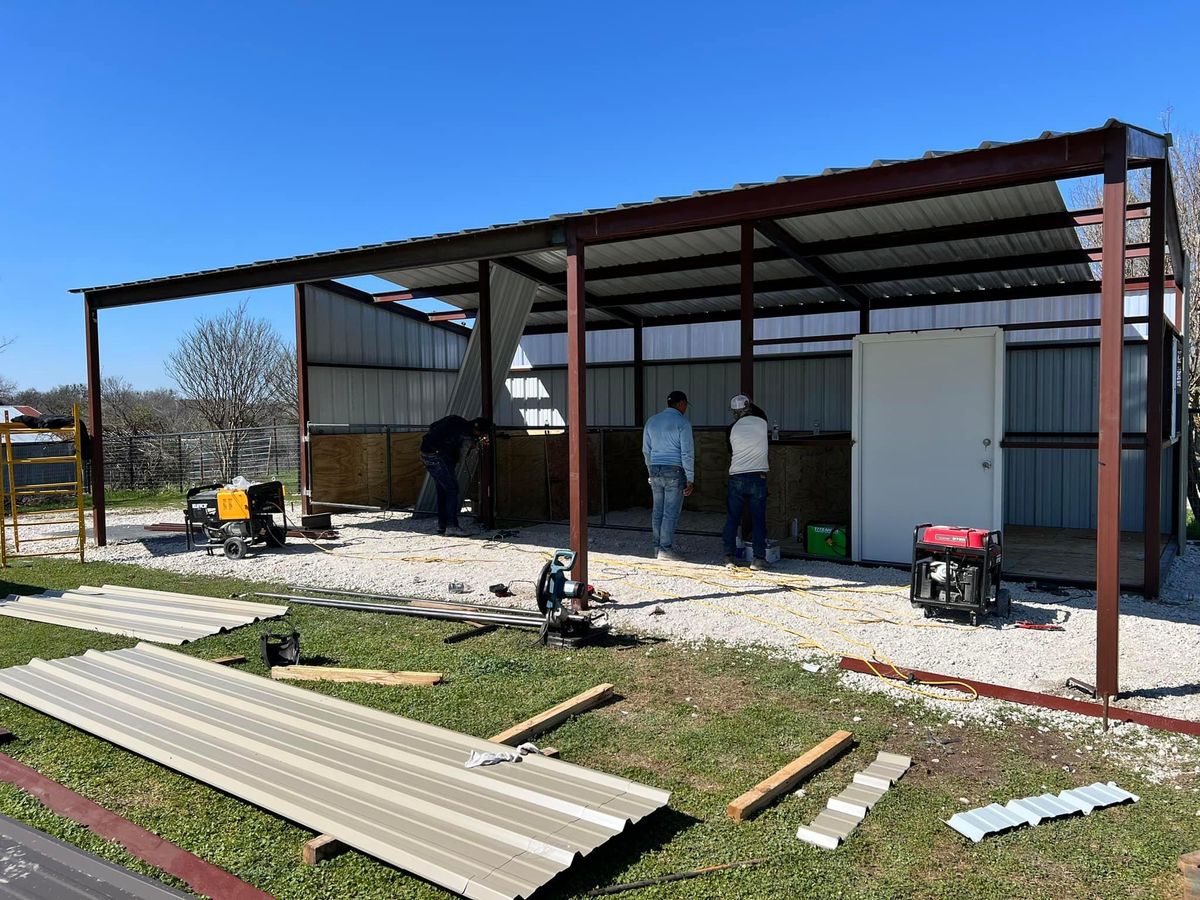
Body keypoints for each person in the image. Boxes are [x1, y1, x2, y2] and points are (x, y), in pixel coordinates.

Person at [641, 390, 695, 561]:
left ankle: (657, 547)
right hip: (674, 470)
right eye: (685, 404)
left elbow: (646, 450)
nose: (686, 407)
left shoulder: (652, 421)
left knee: (657, 510)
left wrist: (650, 471)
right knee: (670, 512)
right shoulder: (683, 423)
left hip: (655, 468)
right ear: (680, 403)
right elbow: (687, 453)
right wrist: (690, 478)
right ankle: (665, 549)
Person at [420, 415, 492, 536]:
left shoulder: (455, 420)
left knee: (443, 490)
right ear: (478, 431)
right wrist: (473, 445)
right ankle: (451, 526)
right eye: (481, 435)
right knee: (452, 489)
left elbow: (433, 426)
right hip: (438, 456)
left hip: (426, 453)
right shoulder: (466, 435)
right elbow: (462, 456)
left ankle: (442, 525)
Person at [723, 394, 770, 570]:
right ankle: (758, 559)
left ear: (734, 412)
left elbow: (730, 450)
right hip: (758, 477)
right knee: (758, 519)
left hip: (737, 477)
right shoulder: (762, 423)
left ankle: (729, 557)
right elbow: (760, 412)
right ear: (749, 407)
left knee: (732, 518)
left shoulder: (730, 429)